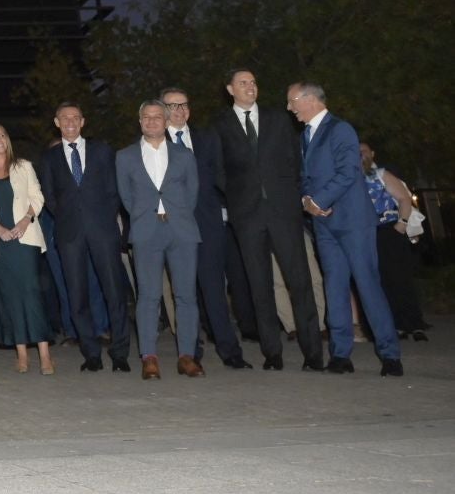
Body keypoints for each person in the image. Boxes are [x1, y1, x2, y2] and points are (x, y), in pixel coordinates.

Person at [212, 69, 325, 371]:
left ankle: (313, 353)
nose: (250, 87)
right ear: (230, 89)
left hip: (283, 211)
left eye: (253, 82)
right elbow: (219, 170)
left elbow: (294, 159)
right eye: (243, 83)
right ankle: (271, 353)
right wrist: (240, 196)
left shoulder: (278, 118)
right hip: (247, 216)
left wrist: (290, 194)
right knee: (259, 285)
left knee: (299, 281)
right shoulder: (219, 125)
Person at [287, 84, 402, 376]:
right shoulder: (305, 136)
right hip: (324, 224)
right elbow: (304, 177)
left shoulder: (340, 129)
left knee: (367, 284)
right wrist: (307, 201)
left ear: (309, 100)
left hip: (352, 222)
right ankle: (340, 355)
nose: (290, 108)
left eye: (292, 102)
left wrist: (319, 200)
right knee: (334, 288)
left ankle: (390, 355)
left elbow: (348, 172)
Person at [158, 88, 251, 370]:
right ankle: (190, 351)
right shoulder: (152, 144)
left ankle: (229, 350)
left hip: (208, 224)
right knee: (183, 291)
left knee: (214, 288)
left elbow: (223, 177)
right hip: (173, 227)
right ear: (161, 110)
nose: (179, 110)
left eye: (184, 104)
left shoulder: (208, 138)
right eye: (172, 105)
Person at [39, 102, 132, 373]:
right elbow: (50, 197)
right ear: (57, 123)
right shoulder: (49, 158)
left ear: (83, 122)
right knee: (76, 295)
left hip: (102, 230)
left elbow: (114, 190)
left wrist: (103, 217)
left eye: (75, 118)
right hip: (69, 234)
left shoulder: (102, 150)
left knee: (113, 292)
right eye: (64, 118)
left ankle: (120, 353)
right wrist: (68, 218)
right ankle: (91, 353)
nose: (70, 122)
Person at [116, 102, 204, 381]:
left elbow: (192, 194)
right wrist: (147, 217)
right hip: (146, 232)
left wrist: (175, 215)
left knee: (186, 295)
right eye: (146, 117)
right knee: (148, 296)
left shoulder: (184, 155)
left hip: (181, 231)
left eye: (157, 117)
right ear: (139, 121)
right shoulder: (125, 156)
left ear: (167, 121)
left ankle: (187, 356)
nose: (152, 121)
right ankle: (149, 357)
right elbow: (126, 198)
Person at [0, 126, 55, 375]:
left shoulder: (23, 166)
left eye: (2, 135)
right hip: (0, 243)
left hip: (25, 239)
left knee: (31, 294)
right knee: (9, 297)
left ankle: (44, 355)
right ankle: (21, 354)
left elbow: (37, 197)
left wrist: (24, 220)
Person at [360, 142, 428, 342]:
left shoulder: (381, 174)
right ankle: (395, 325)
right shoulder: (351, 178)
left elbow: (404, 198)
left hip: (389, 231)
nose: (360, 155)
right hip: (366, 233)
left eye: (364, 151)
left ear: (372, 153)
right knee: (380, 281)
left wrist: (402, 224)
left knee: (401, 277)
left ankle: (414, 325)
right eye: (356, 152)